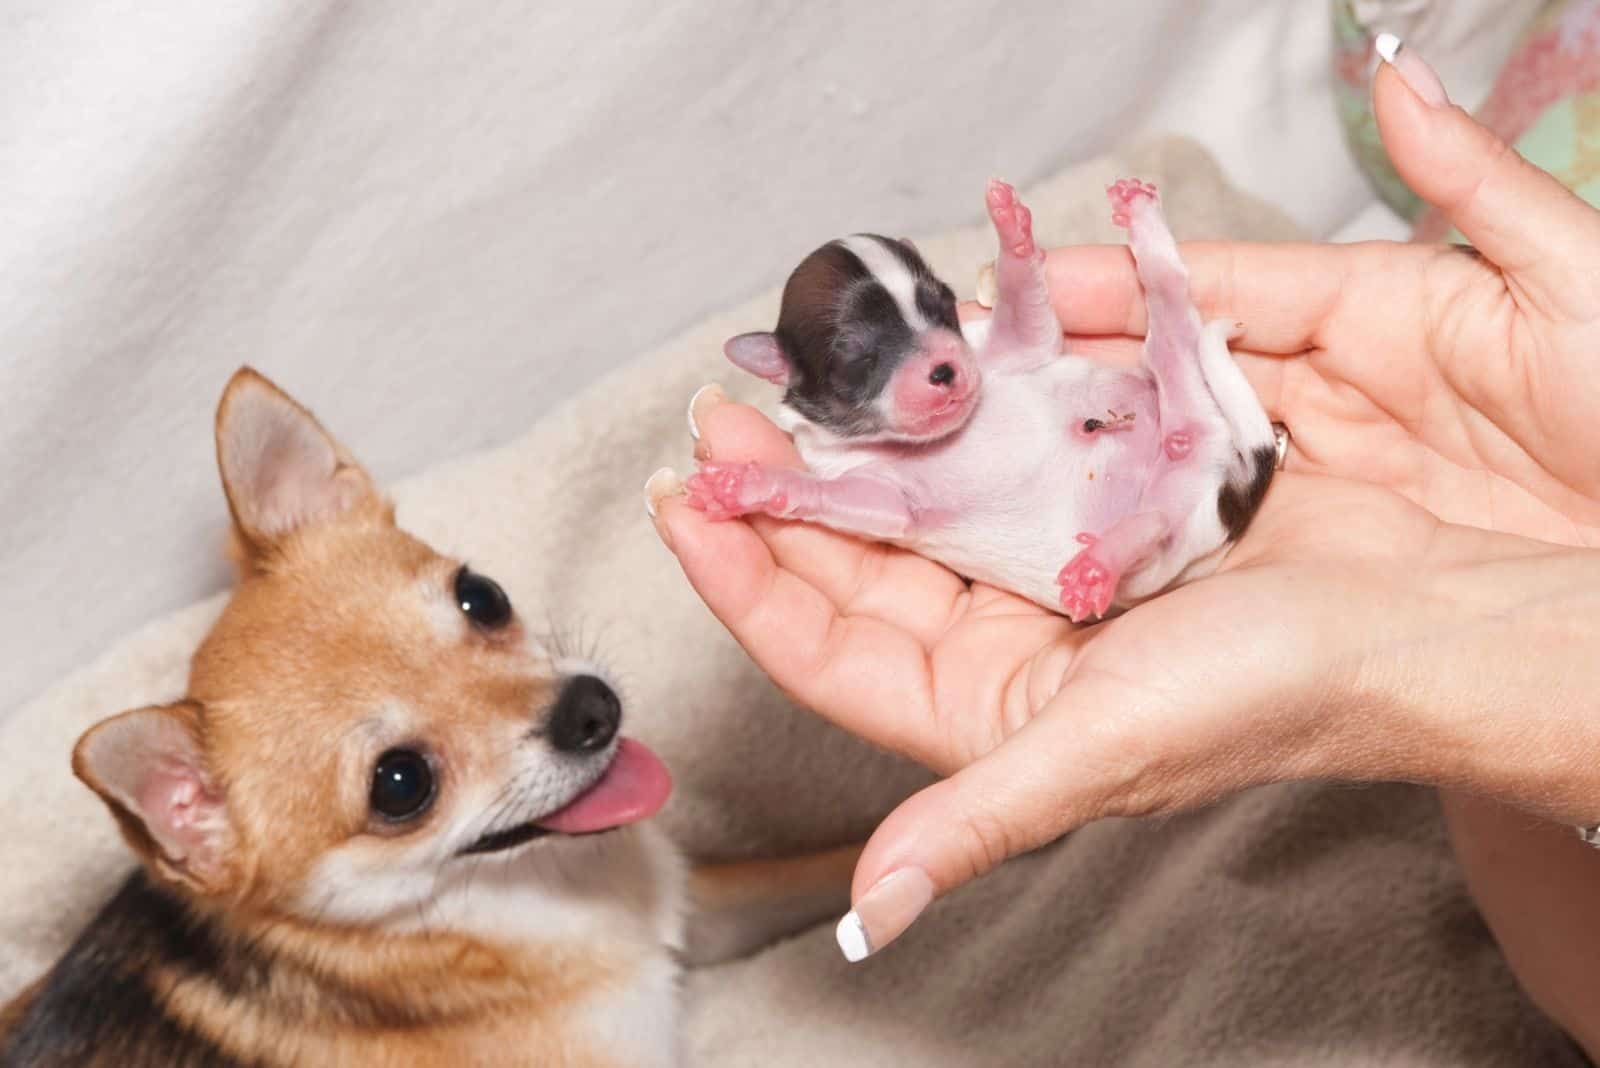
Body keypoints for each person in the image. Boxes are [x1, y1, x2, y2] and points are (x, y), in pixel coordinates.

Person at [648, 40, 1600, 1055]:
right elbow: (880, 508)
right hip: (1139, 514)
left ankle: (1143, 340)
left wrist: (1019, 258)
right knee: (1155, 452)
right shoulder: (861, 468)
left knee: (1180, 352)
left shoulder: (984, 365)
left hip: (1193, 459)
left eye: (934, 315)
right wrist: (771, 488)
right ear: (790, 381)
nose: (938, 362)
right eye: (868, 359)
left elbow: (1019, 339)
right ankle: (1122, 521)